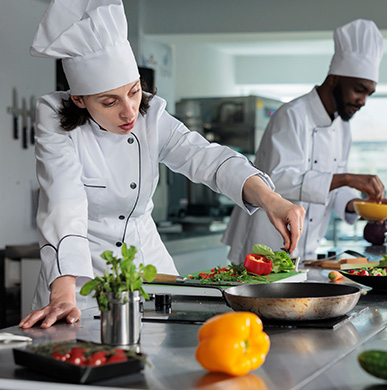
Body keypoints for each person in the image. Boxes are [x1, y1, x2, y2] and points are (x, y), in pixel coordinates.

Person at [20, 0, 304, 329]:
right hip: (79, 281)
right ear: (79, 100)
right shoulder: (54, 119)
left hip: (150, 269)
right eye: (109, 102)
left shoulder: (149, 115)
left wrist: (272, 199)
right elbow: (62, 200)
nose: (128, 112)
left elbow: (207, 158)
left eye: (134, 91)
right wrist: (63, 294)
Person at [223, 19, 387, 262]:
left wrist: (362, 206)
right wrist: (348, 178)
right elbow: (277, 181)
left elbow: (330, 191)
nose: (363, 101)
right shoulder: (292, 115)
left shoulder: (343, 127)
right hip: (263, 248)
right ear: (333, 78)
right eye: (358, 89)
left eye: (368, 94)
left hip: (306, 251)